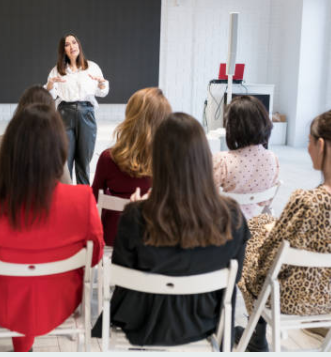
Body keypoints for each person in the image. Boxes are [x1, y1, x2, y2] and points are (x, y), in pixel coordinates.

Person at [92, 113, 249, 346]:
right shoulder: (232, 216)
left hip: (144, 323)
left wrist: (135, 210)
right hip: (204, 321)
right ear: (204, 159)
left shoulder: (136, 216)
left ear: (158, 162)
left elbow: (122, 276)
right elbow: (233, 277)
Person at [0, 104, 104, 352]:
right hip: (60, 300)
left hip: (3, 303)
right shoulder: (82, 199)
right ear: (59, 148)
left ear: (10, 151)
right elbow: (95, 256)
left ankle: (23, 347)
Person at [236, 103, 331, 352]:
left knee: (250, 233)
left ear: (321, 146)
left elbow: (267, 264)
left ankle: (254, 336)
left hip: (293, 299)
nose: (308, 148)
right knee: (263, 223)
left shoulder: (307, 201)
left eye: (309, 141)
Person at [91, 87, 171, 245]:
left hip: (114, 238)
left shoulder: (109, 158)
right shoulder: (171, 160)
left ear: (130, 117)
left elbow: (93, 198)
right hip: (156, 239)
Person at [45, 33, 109, 184]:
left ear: (79, 45)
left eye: (74, 42)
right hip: (64, 115)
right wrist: (49, 85)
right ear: (63, 50)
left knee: (83, 161)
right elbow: (50, 94)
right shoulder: (57, 70)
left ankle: (83, 200)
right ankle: (65, 201)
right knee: (65, 162)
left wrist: (101, 83)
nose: (72, 46)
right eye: (67, 44)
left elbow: (103, 92)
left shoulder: (92, 67)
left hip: (86, 114)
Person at [0, 85, 71, 189]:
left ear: (21, 108)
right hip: (46, 203)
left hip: (8, 204)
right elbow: (66, 186)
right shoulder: (54, 144)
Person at [213, 95, 279, 219]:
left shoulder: (222, 160)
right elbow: (264, 202)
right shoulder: (272, 159)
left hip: (225, 226)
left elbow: (208, 198)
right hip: (254, 224)